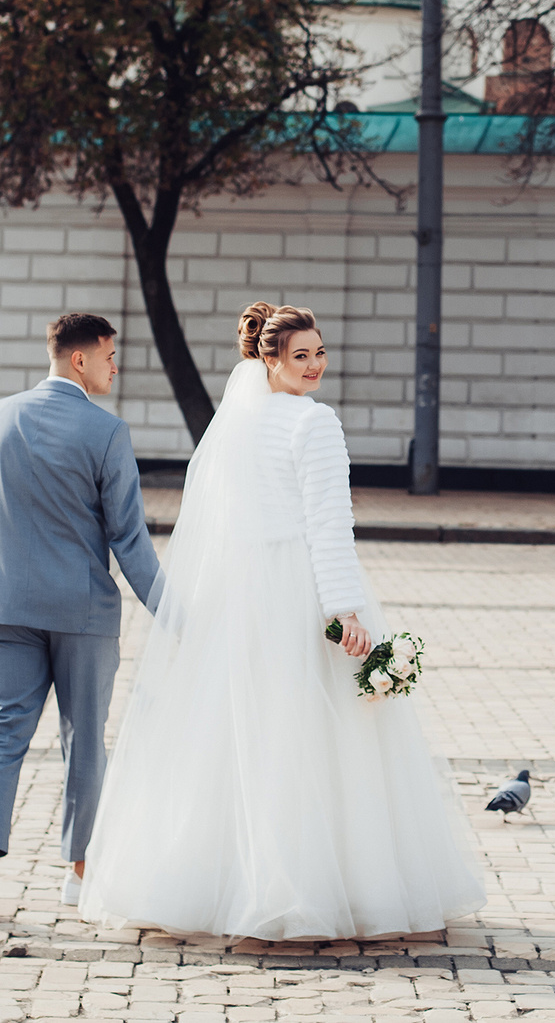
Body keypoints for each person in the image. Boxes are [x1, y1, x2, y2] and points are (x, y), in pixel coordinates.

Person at [78, 300, 487, 940]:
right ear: (269, 358)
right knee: (313, 741)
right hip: (298, 590)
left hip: (240, 596)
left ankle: (214, 885)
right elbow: (329, 524)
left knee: (239, 738)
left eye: (320, 353)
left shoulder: (236, 423)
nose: (316, 365)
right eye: (302, 355)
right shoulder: (314, 424)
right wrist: (343, 609)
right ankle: (317, 888)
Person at [0, 311, 161, 921]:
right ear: (81, 359)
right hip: (82, 611)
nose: (114, 368)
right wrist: (176, 613)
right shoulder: (107, 433)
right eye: (108, 357)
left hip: (6, 606)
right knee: (84, 741)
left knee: (1, 733)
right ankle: (77, 876)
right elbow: (129, 540)